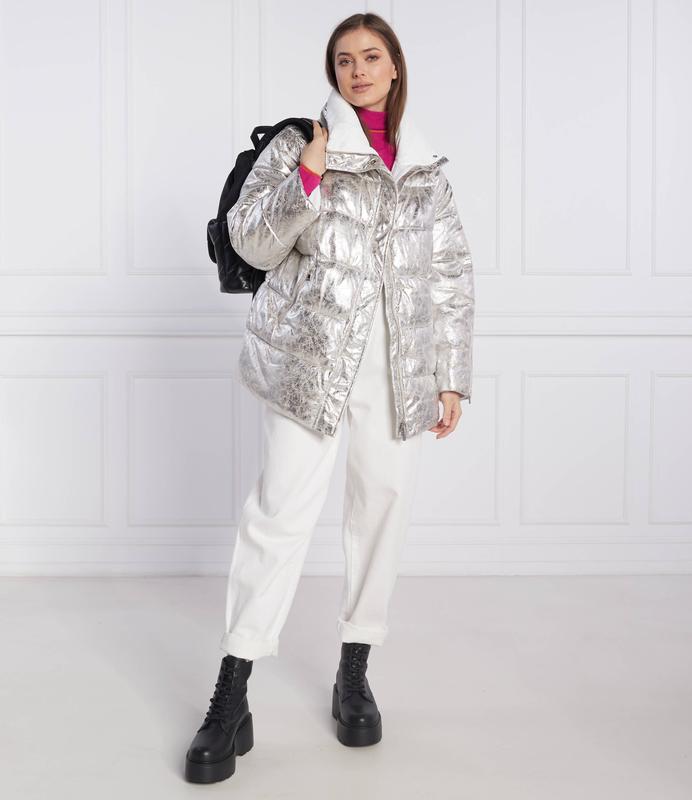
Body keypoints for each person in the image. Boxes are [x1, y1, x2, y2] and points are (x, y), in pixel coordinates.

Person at [184, 11, 475, 784]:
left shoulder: (425, 167)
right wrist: (307, 177)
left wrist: (450, 374)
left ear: (395, 66)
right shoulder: (297, 144)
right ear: (334, 72)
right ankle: (232, 694)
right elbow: (249, 240)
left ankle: (355, 671)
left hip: (397, 367)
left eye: (371, 57)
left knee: (381, 510)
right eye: (345, 60)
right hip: (310, 363)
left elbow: (448, 273)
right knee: (277, 514)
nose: (358, 70)